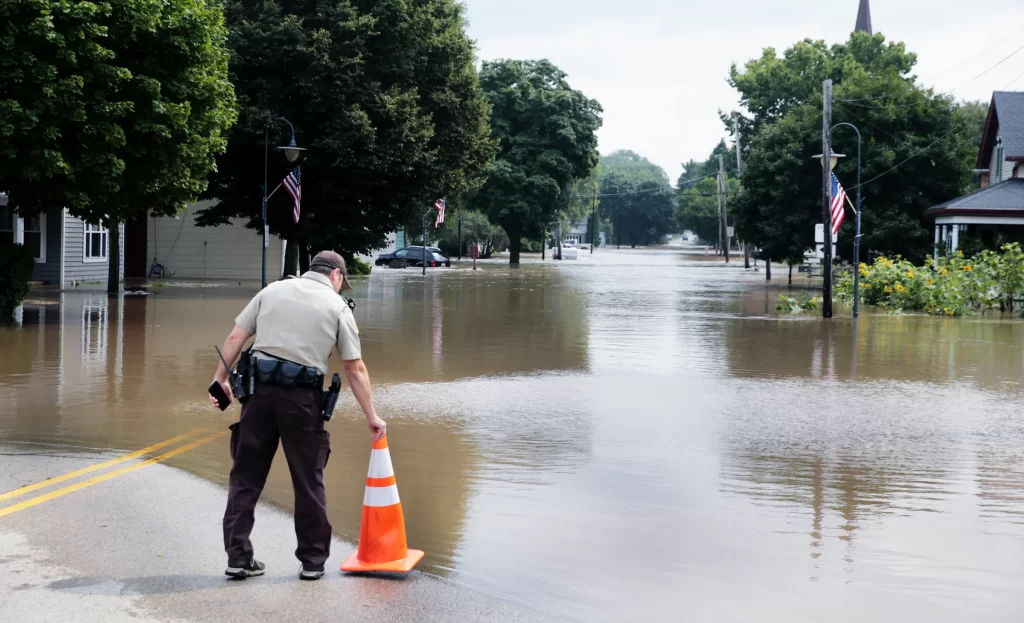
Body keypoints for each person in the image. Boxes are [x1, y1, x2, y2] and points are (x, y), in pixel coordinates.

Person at [209, 251, 386, 581]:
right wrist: (371, 415)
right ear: (335, 275)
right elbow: (354, 367)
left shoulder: (272, 291)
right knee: (308, 481)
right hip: (302, 401)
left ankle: (237, 557)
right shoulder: (337, 308)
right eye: (341, 283)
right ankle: (312, 562)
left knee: (245, 476)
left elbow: (236, 337)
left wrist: (220, 378)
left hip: (257, 397)